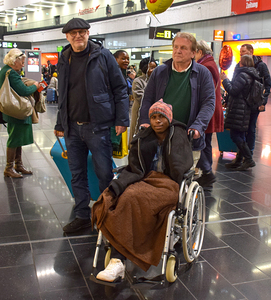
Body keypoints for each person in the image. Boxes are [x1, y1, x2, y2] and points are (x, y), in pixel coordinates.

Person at [92, 100, 193, 282]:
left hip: (168, 184)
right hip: (146, 180)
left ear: (169, 119)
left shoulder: (178, 135)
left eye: (161, 117)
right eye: (153, 117)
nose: (157, 121)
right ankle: (118, 260)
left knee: (139, 200)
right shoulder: (144, 137)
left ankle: (120, 258)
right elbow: (135, 167)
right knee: (125, 197)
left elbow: (183, 165)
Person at [54, 18, 129, 233]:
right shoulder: (65, 57)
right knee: (76, 173)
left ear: (88, 33)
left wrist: (121, 120)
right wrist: (60, 122)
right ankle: (81, 215)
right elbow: (63, 93)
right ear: (67, 36)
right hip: (72, 128)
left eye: (82, 32)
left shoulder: (102, 55)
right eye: (73, 33)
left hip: (98, 126)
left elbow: (120, 88)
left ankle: (108, 214)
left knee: (104, 173)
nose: (78, 36)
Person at [139, 32, 215, 169]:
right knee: (156, 175)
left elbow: (208, 103)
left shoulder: (203, 74)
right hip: (160, 135)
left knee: (181, 177)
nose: (178, 51)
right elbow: (148, 99)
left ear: (193, 53)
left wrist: (198, 126)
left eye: (183, 48)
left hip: (187, 137)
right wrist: (144, 121)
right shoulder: (159, 72)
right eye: (175, 47)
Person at [0, 49, 41, 178]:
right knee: (14, 138)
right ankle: (9, 168)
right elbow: (23, 91)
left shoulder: (6, 70)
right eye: (22, 62)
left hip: (11, 110)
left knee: (17, 138)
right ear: (14, 61)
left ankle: (18, 165)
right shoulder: (11, 73)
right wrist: (35, 86)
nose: (23, 64)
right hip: (16, 111)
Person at [227, 44, 271, 168]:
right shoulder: (238, 65)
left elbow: (267, 84)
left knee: (250, 129)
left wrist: (263, 102)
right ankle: (241, 157)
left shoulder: (260, 65)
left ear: (251, 51)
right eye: (240, 52)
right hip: (243, 104)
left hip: (254, 104)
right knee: (241, 130)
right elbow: (235, 83)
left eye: (244, 52)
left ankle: (248, 156)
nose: (241, 54)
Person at [220, 55, 259, 171]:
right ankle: (239, 160)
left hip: (238, 108)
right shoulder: (251, 74)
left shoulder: (242, 75)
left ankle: (248, 159)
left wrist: (225, 80)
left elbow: (233, 90)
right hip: (244, 108)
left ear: (243, 63)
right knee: (241, 135)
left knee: (235, 135)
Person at [194, 40, 223, 189]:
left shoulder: (206, 66)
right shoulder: (210, 64)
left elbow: (205, 91)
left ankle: (207, 173)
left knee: (200, 142)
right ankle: (207, 173)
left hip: (207, 110)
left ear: (200, 51)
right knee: (205, 141)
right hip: (210, 109)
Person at [129, 58, 157, 145]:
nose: (154, 70)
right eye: (151, 67)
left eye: (155, 67)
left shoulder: (158, 81)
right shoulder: (138, 81)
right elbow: (141, 98)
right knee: (138, 136)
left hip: (155, 114)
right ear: (144, 69)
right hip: (140, 113)